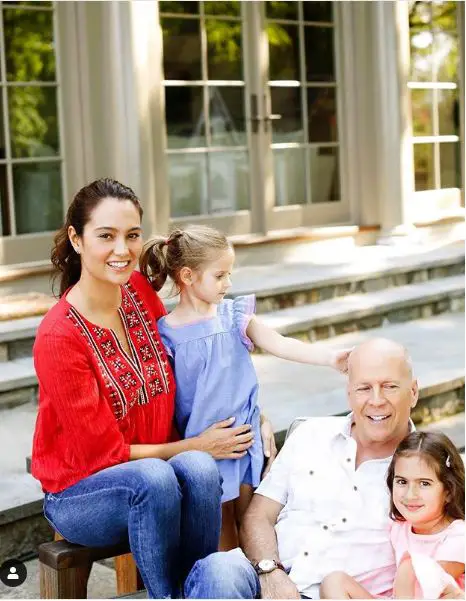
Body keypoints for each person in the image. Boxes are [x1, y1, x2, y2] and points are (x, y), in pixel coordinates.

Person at [31, 178, 274, 599]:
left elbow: (197, 372)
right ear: (76, 238)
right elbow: (103, 455)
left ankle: (201, 587)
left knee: (198, 469)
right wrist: (197, 443)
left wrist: (255, 416)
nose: (122, 250)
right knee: (159, 476)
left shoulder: (139, 294)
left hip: (160, 473)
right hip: (80, 492)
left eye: (132, 235)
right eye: (106, 236)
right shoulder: (59, 337)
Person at [139, 225, 350, 550]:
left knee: (252, 524)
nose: (229, 283)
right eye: (220, 275)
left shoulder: (232, 316)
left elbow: (279, 343)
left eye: (229, 274)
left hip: (246, 441)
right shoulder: (165, 335)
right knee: (221, 535)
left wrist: (331, 357)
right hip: (206, 453)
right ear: (187, 276)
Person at [183, 337, 421, 599]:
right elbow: (258, 516)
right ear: (349, 393)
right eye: (364, 388)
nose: (376, 400)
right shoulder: (310, 435)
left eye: (389, 387)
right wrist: (270, 572)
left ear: (413, 392)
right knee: (219, 569)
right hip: (265, 579)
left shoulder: (427, 475)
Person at [320, 431, 465, 599]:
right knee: (334, 582)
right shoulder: (399, 526)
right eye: (402, 482)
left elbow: (427, 588)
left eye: (424, 483)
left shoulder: (459, 536)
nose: (410, 494)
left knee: (410, 569)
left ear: (448, 491)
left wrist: (407, 571)